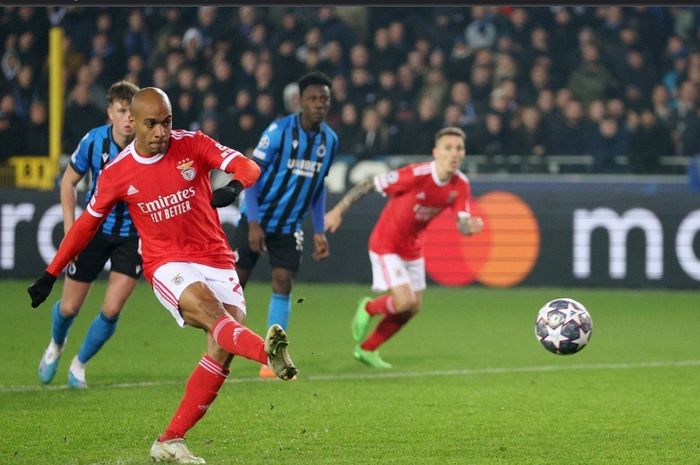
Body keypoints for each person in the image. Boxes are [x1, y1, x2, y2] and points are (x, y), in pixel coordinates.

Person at [28, 87, 298, 464]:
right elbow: (86, 226)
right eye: (151, 124)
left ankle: (170, 440)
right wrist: (50, 273)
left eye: (166, 122)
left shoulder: (193, 144)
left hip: (216, 258)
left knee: (221, 349)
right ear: (133, 123)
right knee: (211, 312)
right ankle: (266, 353)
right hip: (167, 263)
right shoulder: (118, 172)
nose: (160, 132)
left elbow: (249, 166)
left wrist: (233, 186)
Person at [324, 126, 484, 368]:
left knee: (412, 308)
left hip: (413, 247)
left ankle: (367, 349)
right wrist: (338, 210)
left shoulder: (460, 184)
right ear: (436, 152)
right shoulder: (416, 174)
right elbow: (369, 184)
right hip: (386, 244)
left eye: (459, 148)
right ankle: (368, 307)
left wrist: (469, 228)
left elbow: (462, 224)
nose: (454, 153)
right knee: (405, 301)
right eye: (448, 148)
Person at [233, 71, 338, 379]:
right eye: (313, 99)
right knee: (235, 285)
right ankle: (221, 345)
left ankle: (271, 358)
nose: (319, 104)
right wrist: (253, 222)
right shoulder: (279, 131)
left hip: (289, 225)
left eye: (324, 99)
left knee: (283, 281)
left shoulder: (329, 140)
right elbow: (251, 175)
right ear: (300, 102)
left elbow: (318, 187)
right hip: (257, 218)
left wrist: (318, 229)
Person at [37, 80, 141, 389]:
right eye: (122, 111)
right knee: (69, 307)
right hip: (94, 230)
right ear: (110, 113)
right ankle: (56, 345)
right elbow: (68, 182)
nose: (128, 119)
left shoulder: (148, 146)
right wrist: (71, 229)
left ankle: (79, 365)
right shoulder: (94, 142)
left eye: (132, 112)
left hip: (133, 237)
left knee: (111, 310)